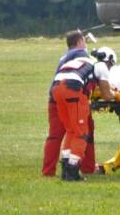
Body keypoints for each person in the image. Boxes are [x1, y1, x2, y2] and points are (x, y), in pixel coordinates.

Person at [51, 46, 120, 181]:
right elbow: (107, 95)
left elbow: (88, 80)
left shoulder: (82, 60)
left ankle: (66, 168)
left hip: (57, 89)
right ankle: (72, 170)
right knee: (81, 133)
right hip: (73, 90)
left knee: (71, 130)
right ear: (109, 60)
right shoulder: (101, 65)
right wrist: (117, 95)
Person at [42, 30, 98, 177]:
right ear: (80, 42)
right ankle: (85, 167)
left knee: (55, 136)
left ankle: (48, 170)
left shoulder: (64, 56)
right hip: (73, 95)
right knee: (84, 132)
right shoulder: (81, 54)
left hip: (54, 97)